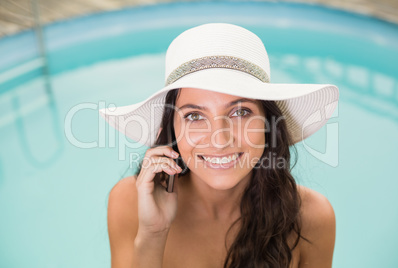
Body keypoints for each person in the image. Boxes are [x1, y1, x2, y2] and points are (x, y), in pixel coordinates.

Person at [99, 23, 338, 268]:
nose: (220, 140)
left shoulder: (312, 217)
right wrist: (153, 234)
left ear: (268, 124)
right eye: (194, 116)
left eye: (241, 112)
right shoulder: (131, 201)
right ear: (171, 131)